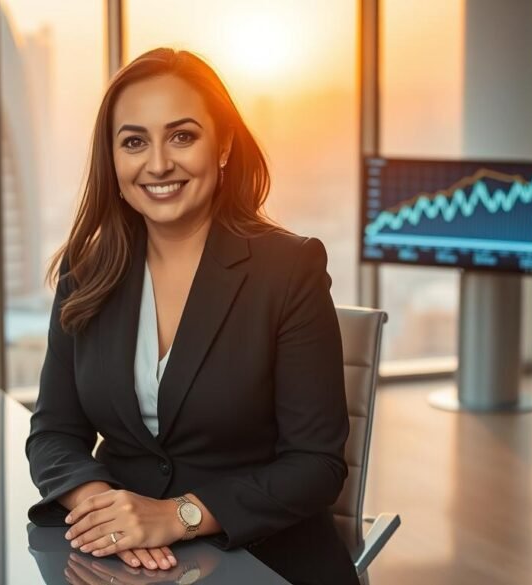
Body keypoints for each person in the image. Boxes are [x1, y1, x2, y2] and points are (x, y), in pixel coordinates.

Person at [26, 47, 357, 585]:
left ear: (223, 144)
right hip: (118, 561)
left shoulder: (288, 268)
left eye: (182, 136)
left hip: (262, 555)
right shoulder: (87, 270)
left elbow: (316, 466)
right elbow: (53, 432)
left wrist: (176, 516)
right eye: (134, 142)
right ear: (112, 159)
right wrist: (104, 510)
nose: (158, 164)